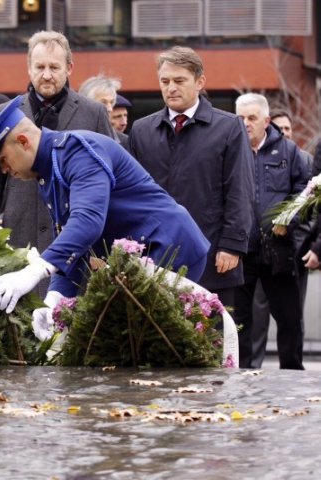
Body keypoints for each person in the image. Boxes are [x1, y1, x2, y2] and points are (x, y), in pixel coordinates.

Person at [0, 96, 210, 327]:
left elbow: (88, 221)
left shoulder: (77, 151)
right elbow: (72, 244)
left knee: (152, 348)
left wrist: (34, 271)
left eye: (3, 159)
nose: (4, 169)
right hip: (142, 258)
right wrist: (55, 301)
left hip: (168, 248)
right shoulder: (49, 168)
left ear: (23, 141)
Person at [0, 30, 114, 297]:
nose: (47, 75)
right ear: (29, 68)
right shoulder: (7, 112)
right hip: (19, 238)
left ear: (69, 68)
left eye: (54, 67)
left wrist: (104, 247)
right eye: (40, 67)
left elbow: (109, 182)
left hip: (76, 244)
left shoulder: (93, 112)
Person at [129, 46, 254, 309]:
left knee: (212, 342)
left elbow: (239, 189)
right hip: (156, 257)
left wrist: (232, 245)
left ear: (199, 82)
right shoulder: (141, 130)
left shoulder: (229, 127)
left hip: (213, 257)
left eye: (179, 81)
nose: (171, 88)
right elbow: (133, 194)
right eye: (165, 81)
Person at [233, 93, 310, 370]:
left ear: (266, 121)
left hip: (278, 249)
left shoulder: (290, 153)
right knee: (239, 321)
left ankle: (293, 373)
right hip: (241, 250)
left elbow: (306, 190)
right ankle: (241, 375)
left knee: (289, 319)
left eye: (251, 118)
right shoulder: (229, 150)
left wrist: (287, 220)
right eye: (240, 118)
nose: (245, 124)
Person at [251, 107, 313, 366]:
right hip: (252, 252)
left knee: (290, 318)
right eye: (280, 128)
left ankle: (292, 370)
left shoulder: (300, 158)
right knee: (253, 319)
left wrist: (298, 235)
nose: (284, 133)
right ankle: (250, 368)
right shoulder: (240, 152)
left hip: (287, 253)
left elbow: (309, 203)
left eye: (288, 128)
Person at [79, 74, 129, 150]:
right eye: (103, 102)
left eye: (111, 102)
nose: (110, 109)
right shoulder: (70, 133)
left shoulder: (125, 141)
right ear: (86, 102)